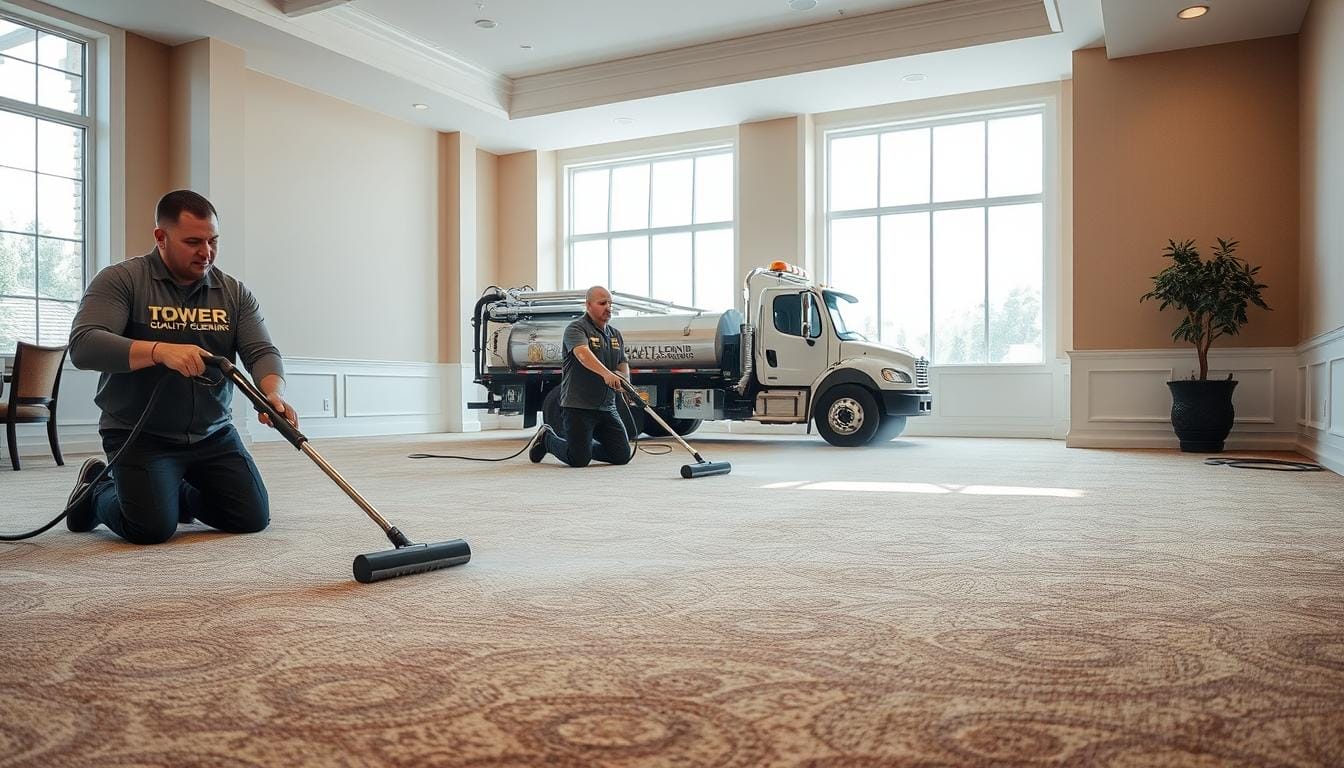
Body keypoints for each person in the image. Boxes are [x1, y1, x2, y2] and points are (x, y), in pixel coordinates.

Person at [64, 190, 297, 544]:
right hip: (140, 435)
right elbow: (84, 345)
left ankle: (173, 492)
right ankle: (97, 489)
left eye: (212, 241)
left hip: (213, 434)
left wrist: (272, 393)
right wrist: (159, 351)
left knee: (250, 517)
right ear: (161, 237)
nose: (206, 252)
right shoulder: (122, 280)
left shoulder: (233, 293)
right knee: (151, 528)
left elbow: (261, 350)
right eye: (193, 242)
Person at [530, 285, 633, 468]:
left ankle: (584, 446)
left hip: (607, 407)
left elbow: (622, 362)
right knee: (578, 460)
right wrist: (606, 374)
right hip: (579, 406)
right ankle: (547, 439)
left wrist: (624, 378)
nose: (608, 307)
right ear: (588, 305)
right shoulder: (576, 328)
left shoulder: (615, 334)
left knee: (622, 455)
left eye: (610, 303)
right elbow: (582, 354)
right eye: (602, 303)